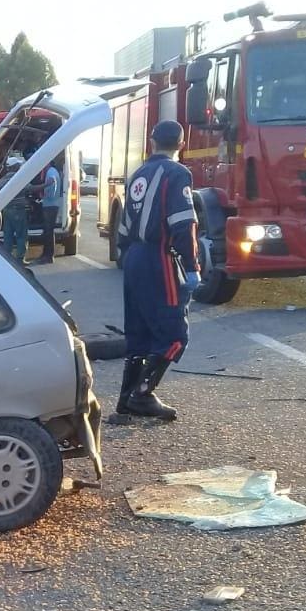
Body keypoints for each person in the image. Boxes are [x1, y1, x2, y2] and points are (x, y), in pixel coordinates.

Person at [114, 120, 201, 421]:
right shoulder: (178, 174)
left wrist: (128, 257)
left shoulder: (138, 174)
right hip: (158, 256)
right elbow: (183, 224)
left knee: (138, 332)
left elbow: (123, 228)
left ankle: (126, 399)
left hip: (134, 257)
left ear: (151, 142)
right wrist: (191, 268)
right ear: (181, 144)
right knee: (174, 332)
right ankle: (143, 394)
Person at [0, 156, 30, 269]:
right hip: (18, 210)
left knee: (8, 235)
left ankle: (7, 257)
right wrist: (47, 184)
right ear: (15, 167)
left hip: (7, 210)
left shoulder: (1, 181)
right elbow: (30, 188)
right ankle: (20, 258)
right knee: (21, 235)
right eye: (18, 165)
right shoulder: (18, 179)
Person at [34, 153, 62, 265]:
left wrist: (47, 196)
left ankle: (48, 256)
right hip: (51, 204)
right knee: (48, 231)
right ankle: (46, 254)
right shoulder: (52, 171)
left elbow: (53, 185)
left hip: (50, 205)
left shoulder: (51, 172)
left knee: (48, 231)